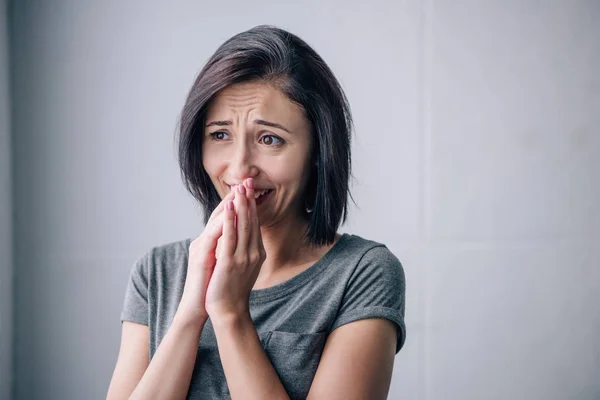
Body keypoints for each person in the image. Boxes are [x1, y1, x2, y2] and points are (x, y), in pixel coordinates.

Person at [107, 25, 406, 400]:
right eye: (220, 135)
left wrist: (230, 313)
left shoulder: (363, 272)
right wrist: (190, 312)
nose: (239, 169)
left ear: (318, 152)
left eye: (270, 139)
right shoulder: (157, 272)